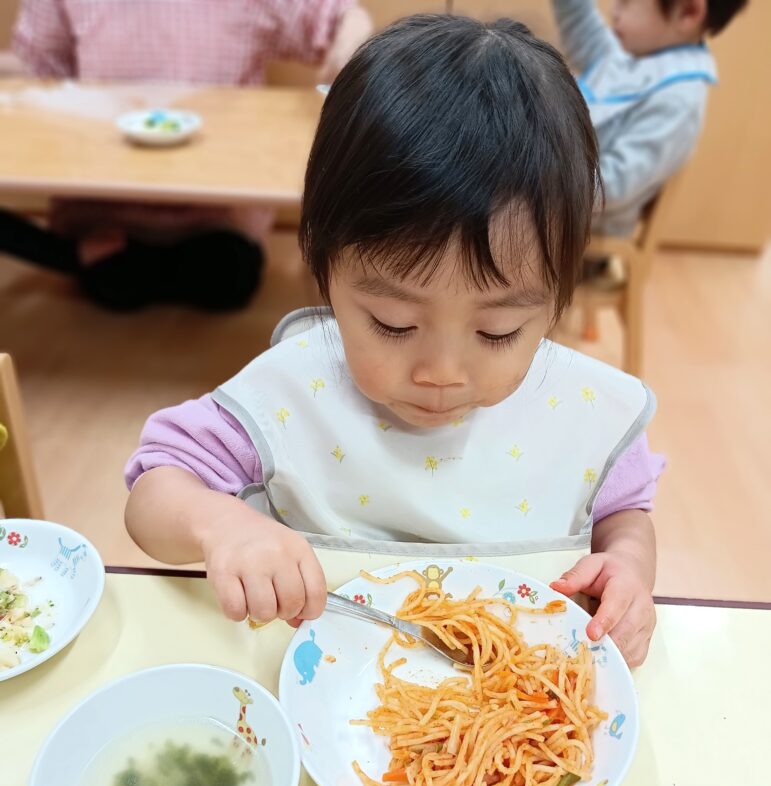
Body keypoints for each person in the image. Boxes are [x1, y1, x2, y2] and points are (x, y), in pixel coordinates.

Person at [125, 15, 665, 666]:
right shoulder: (300, 383)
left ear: (554, 298)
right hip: (319, 690)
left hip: (518, 700)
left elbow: (624, 513)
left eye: (496, 331)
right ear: (322, 270)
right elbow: (155, 487)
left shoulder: (577, 409)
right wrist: (220, 527)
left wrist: (628, 569)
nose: (440, 371)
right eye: (393, 324)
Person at [2, 0, 372, 311]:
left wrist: (349, 48)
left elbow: (339, 16)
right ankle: (95, 257)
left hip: (220, 205)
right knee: (115, 278)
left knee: (226, 275)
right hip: (106, 204)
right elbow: (35, 68)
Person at [551, 0, 748, 237]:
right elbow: (581, 25)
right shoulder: (635, 53)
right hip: (552, 196)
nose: (614, 10)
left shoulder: (678, 101)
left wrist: (538, 182)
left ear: (688, 12)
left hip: (580, 235)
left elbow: (613, 186)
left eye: (626, 2)